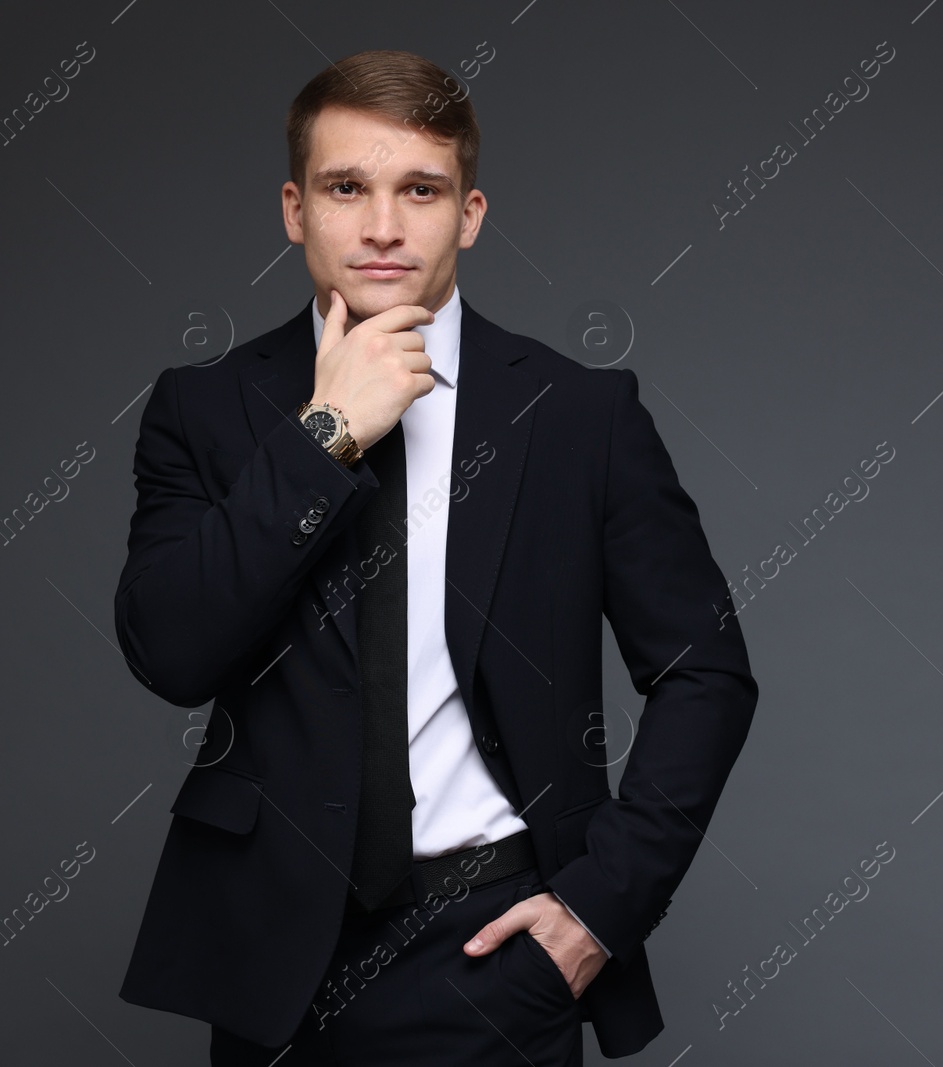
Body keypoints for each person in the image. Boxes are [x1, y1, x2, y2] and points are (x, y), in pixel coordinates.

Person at [112, 49, 758, 1066]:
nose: (381, 226)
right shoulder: (203, 410)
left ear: (470, 212)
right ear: (294, 209)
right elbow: (171, 652)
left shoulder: (580, 416)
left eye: (420, 189)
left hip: (495, 948)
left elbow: (706, 673)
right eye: (345, 188)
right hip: (270, 958)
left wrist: (595, 910)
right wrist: (324, 434)